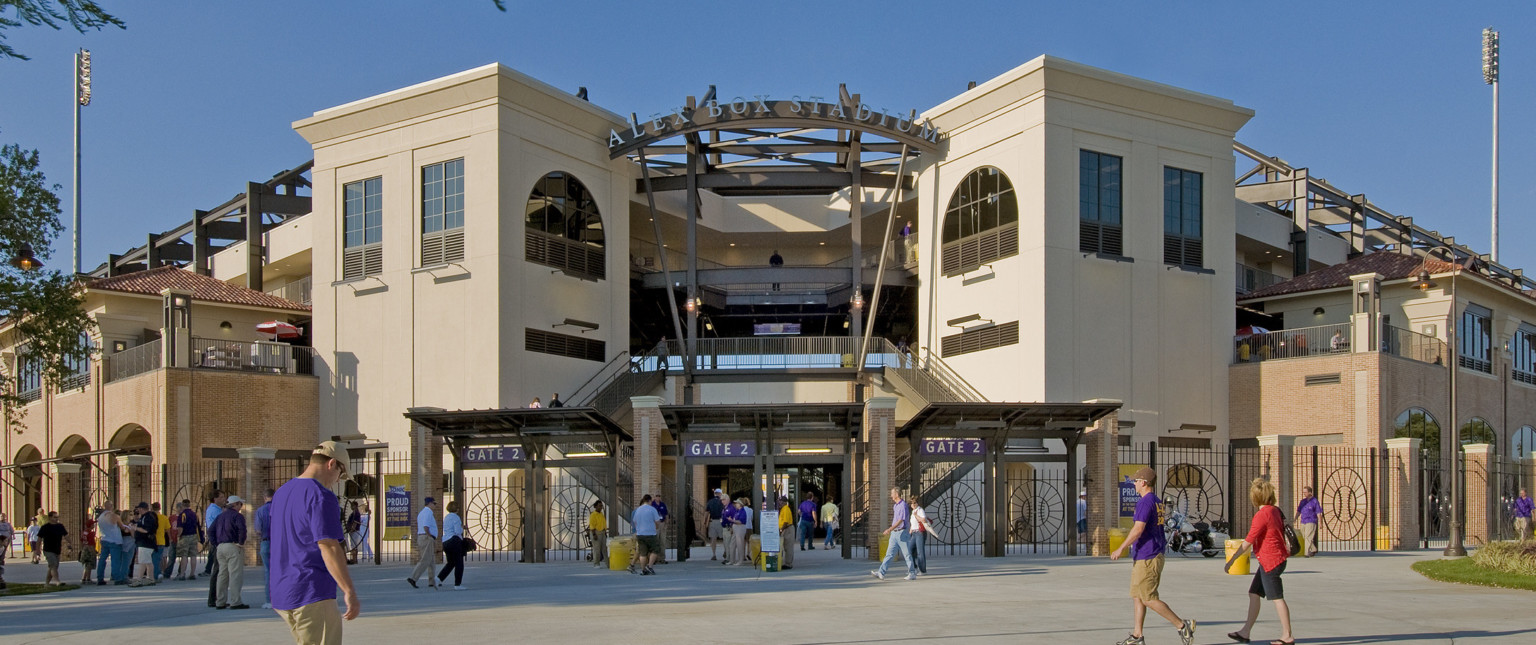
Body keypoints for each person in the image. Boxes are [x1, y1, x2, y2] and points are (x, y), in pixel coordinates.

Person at [271, 441, 361, 644]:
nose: (339, 481)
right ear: (332, 464)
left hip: (282, 590)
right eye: (342, 474)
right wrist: (349, 591)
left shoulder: (282, 493)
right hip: (311, 589)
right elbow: (328, 546)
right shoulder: (321, 496)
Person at [1109, 467, 1196, 645]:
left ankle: (1182, 625)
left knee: (1148, 598)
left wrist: (1121, 548)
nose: (1133, 484)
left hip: (1148, 556)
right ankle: (1137, 636)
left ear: (1144, 482)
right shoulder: (1156, 501)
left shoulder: (1145, 502)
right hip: (1146, 554)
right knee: (1138, 596)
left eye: (1136, 481)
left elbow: (1138, 529)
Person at [1225, 478, 1295, 645]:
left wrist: (1232, 560)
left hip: (1271, 560)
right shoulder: (1275, 510)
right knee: (1254, 593)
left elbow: (1248, 541)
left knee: (1277, 597)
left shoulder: (1262, 515)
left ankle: (1287, 635)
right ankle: (1245, 631)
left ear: (1255, 498)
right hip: (1273, 559)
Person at [211, 495, 249, 609]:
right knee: (235, 574)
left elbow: (210, 530)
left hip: (221, 547)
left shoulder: (220, 516)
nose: (241, 507)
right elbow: (242, 530)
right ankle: (235, 601)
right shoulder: (237, 516)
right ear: (236, 504)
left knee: (222, 575)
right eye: (240, 504)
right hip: (232, 545)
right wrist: (241, 542)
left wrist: (216, 544)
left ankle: (220, 601)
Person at [871, 487, 916, 581]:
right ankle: (881, 572)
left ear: (896, 494)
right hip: (894, 534)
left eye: (892, 493)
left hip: (902, 532)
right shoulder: (895, 506)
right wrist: (892, 530)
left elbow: (900, 520)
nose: (891, 495)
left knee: (907, 553)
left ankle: (912, 573)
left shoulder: (902, 505)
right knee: (889, 554)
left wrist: (889, 529)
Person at [407, 497, 440, 589]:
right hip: (426, 538)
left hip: (422, 537)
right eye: (434, 503)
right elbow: (426, 526)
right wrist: (429, 536)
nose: (435, 505)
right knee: (425, 560)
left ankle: (432, 581)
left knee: (431, 561)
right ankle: (413, 578)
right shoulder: (428, 512)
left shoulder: (422, 513)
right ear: (429, 503)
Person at [436, 500, 468, 590]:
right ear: (456, 509)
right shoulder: (456, 517)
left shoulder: (446, 517)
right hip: (454, 541)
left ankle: (438, 579)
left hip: (446, 541)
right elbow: (458, 531)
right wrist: (462, 528)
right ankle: (457, 584)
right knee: (459, 563)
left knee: (451, 563)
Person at [127, 502, 159, 587]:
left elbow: (146, 530)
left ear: (142, 508)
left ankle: (139, 580)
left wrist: (135, 528)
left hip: (145, 542)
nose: (138, 510)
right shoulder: (145, 517)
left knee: (142, 562)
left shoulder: (147, 517)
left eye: (139, 508)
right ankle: (151, 578)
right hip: (147, 542)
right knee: (148, 562)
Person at [630, 494, 661, 575]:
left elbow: (635, 521)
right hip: (650, 533)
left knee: (642, 553)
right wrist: (656, 527)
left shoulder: (638, 510)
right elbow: (657, 521)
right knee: (655, 550)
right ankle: (649, 566)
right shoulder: (652, 509)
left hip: (640, 534)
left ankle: (643, 569)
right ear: (650, 500)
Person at [95, 502, 124, 585]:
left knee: (102, 560)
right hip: (115, 540)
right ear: (111, 506)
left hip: (104, 539)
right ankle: (117, 578)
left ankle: (100, 578)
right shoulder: (114, 516)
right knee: (115, 560)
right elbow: (122, 527)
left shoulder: (100, 517)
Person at [256, 490, 276, 609]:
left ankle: (269, 600)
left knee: (268, 571)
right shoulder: (280, 509)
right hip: (279, 543)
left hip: (265, 542)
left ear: (265, 497)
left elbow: (258, 529)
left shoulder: (260, 510)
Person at [37, 511, 68, 586]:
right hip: (48, 550)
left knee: (53, 567)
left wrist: (69, 543)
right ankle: (57, 581)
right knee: (53, 565)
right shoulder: (45, 527)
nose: (57, 519)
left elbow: (66, 536)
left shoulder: (60, 526)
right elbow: (39, 539)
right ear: (50, 517)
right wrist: (37, 550)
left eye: (57, 517)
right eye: (55, 517)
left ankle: (46, 583)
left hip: (57, 550)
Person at [175, 500, 201, 580]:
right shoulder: (194, 514)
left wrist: (178, 535)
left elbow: (180, 528)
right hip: (193, 536)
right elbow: (198, 526)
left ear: (182, 505)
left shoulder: (182, 515)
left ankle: (182, 574)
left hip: (185, 536)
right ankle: (192, 573)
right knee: (193, 555)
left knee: (184, 555)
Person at [909, 497, 934, 576]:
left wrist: (916, 515)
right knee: (909, 549)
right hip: (914, 533)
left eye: (914, 503)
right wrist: (910, 530)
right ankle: (915, 567)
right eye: (911, 503)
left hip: (920, 533)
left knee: (920, 552)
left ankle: (923, 570)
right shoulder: (913, 511)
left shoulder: (920, 510)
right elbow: (913, 523)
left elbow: (923, 520)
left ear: (917, 503)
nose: (913, 505)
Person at [204, 490, 226, 576]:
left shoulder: (218, 509)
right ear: (215, 499)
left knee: (213, 553)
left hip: (217, 535)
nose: (223, 499)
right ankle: (212, 571)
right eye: (221, 497)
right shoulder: (214, 510)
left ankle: (208, 569)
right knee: (216, 554)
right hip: (217, 535)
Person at [1295, 486, 1321, 557]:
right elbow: (1299, 510)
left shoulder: (1314, 501)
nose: (1304, 493)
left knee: (1308, 536)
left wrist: (1320, 522)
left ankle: (1306, 553)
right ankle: (1313, 549)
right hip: (1303, 520)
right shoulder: (1303, 501)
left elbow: (1318, 512)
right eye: (1303, 492)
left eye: (1305, 492)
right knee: (1304, 535)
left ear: (1310, 492)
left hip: (1311, 520)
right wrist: (1296, 518)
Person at [722, 497, 746, 565]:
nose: (736, 504)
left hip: (740, 528)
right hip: (735, 528)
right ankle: (732, 560)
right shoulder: (737, 511)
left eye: (737, 503)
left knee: (739, 545)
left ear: (740, 504)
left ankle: (740, 560)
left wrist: (732, 521)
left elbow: (742, 521)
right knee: (732, 545)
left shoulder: (743, 511)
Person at [152, 502, 171, 581]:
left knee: (153, 559)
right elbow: (167, 530)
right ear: (160, 508)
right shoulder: (164, 518)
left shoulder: (151, 517)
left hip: (152, 541)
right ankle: (158, 572)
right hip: (161, 540)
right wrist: (170, 539)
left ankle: (155, 573)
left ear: (152, 508)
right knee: (159, 558)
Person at [704, 489, 724, 560]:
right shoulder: (722, 502)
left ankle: (714, 554)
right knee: (724, 538)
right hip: (721, 521)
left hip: (712, 521)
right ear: (720, 494)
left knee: (713, 539)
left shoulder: (710, 502)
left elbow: (707, 513)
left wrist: (705, 522)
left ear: (715, 494)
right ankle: (725, 551)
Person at [777, 496, 795, 570]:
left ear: (785, 502)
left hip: (788, 529)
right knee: (785, 546)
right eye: (779, 501)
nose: (779, 502)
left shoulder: (786, 509)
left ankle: (788, 564)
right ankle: (787, 562)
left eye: (781, 501)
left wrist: (781, 530)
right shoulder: (783, 509)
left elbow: (786, 522)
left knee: (788, 547)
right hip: (785, 529)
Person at [588, 500, 608, 568]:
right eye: (599, 506)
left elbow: (603, 523)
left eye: (601, 506)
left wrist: (605, 532)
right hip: (596, 532)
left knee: (604, 549)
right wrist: (594, 534)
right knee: (597, 549)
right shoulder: (593, 515)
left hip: (602, 532)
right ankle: (596, 563)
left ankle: (608, 563)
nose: (601, 507)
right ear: (595, 506)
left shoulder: (601, 514)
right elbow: (592, 525)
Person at [77, 516, 97, 584]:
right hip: (89, 549)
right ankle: (88, 578)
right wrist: (93, 552)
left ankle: (83, 578)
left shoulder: (84, 532)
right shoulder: (91, 534)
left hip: (84, 548)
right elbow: (91, 544)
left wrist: (81, 548)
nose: (94, 525)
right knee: (89, 565)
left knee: (86, 564)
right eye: (93, 524)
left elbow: (81, 540)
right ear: (91, 525)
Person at [0, 512, 12, 590]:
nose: (2, 517)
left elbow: (11, 530)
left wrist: (10, 537)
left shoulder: (8, 524)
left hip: (5, 538)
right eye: (1, 516)